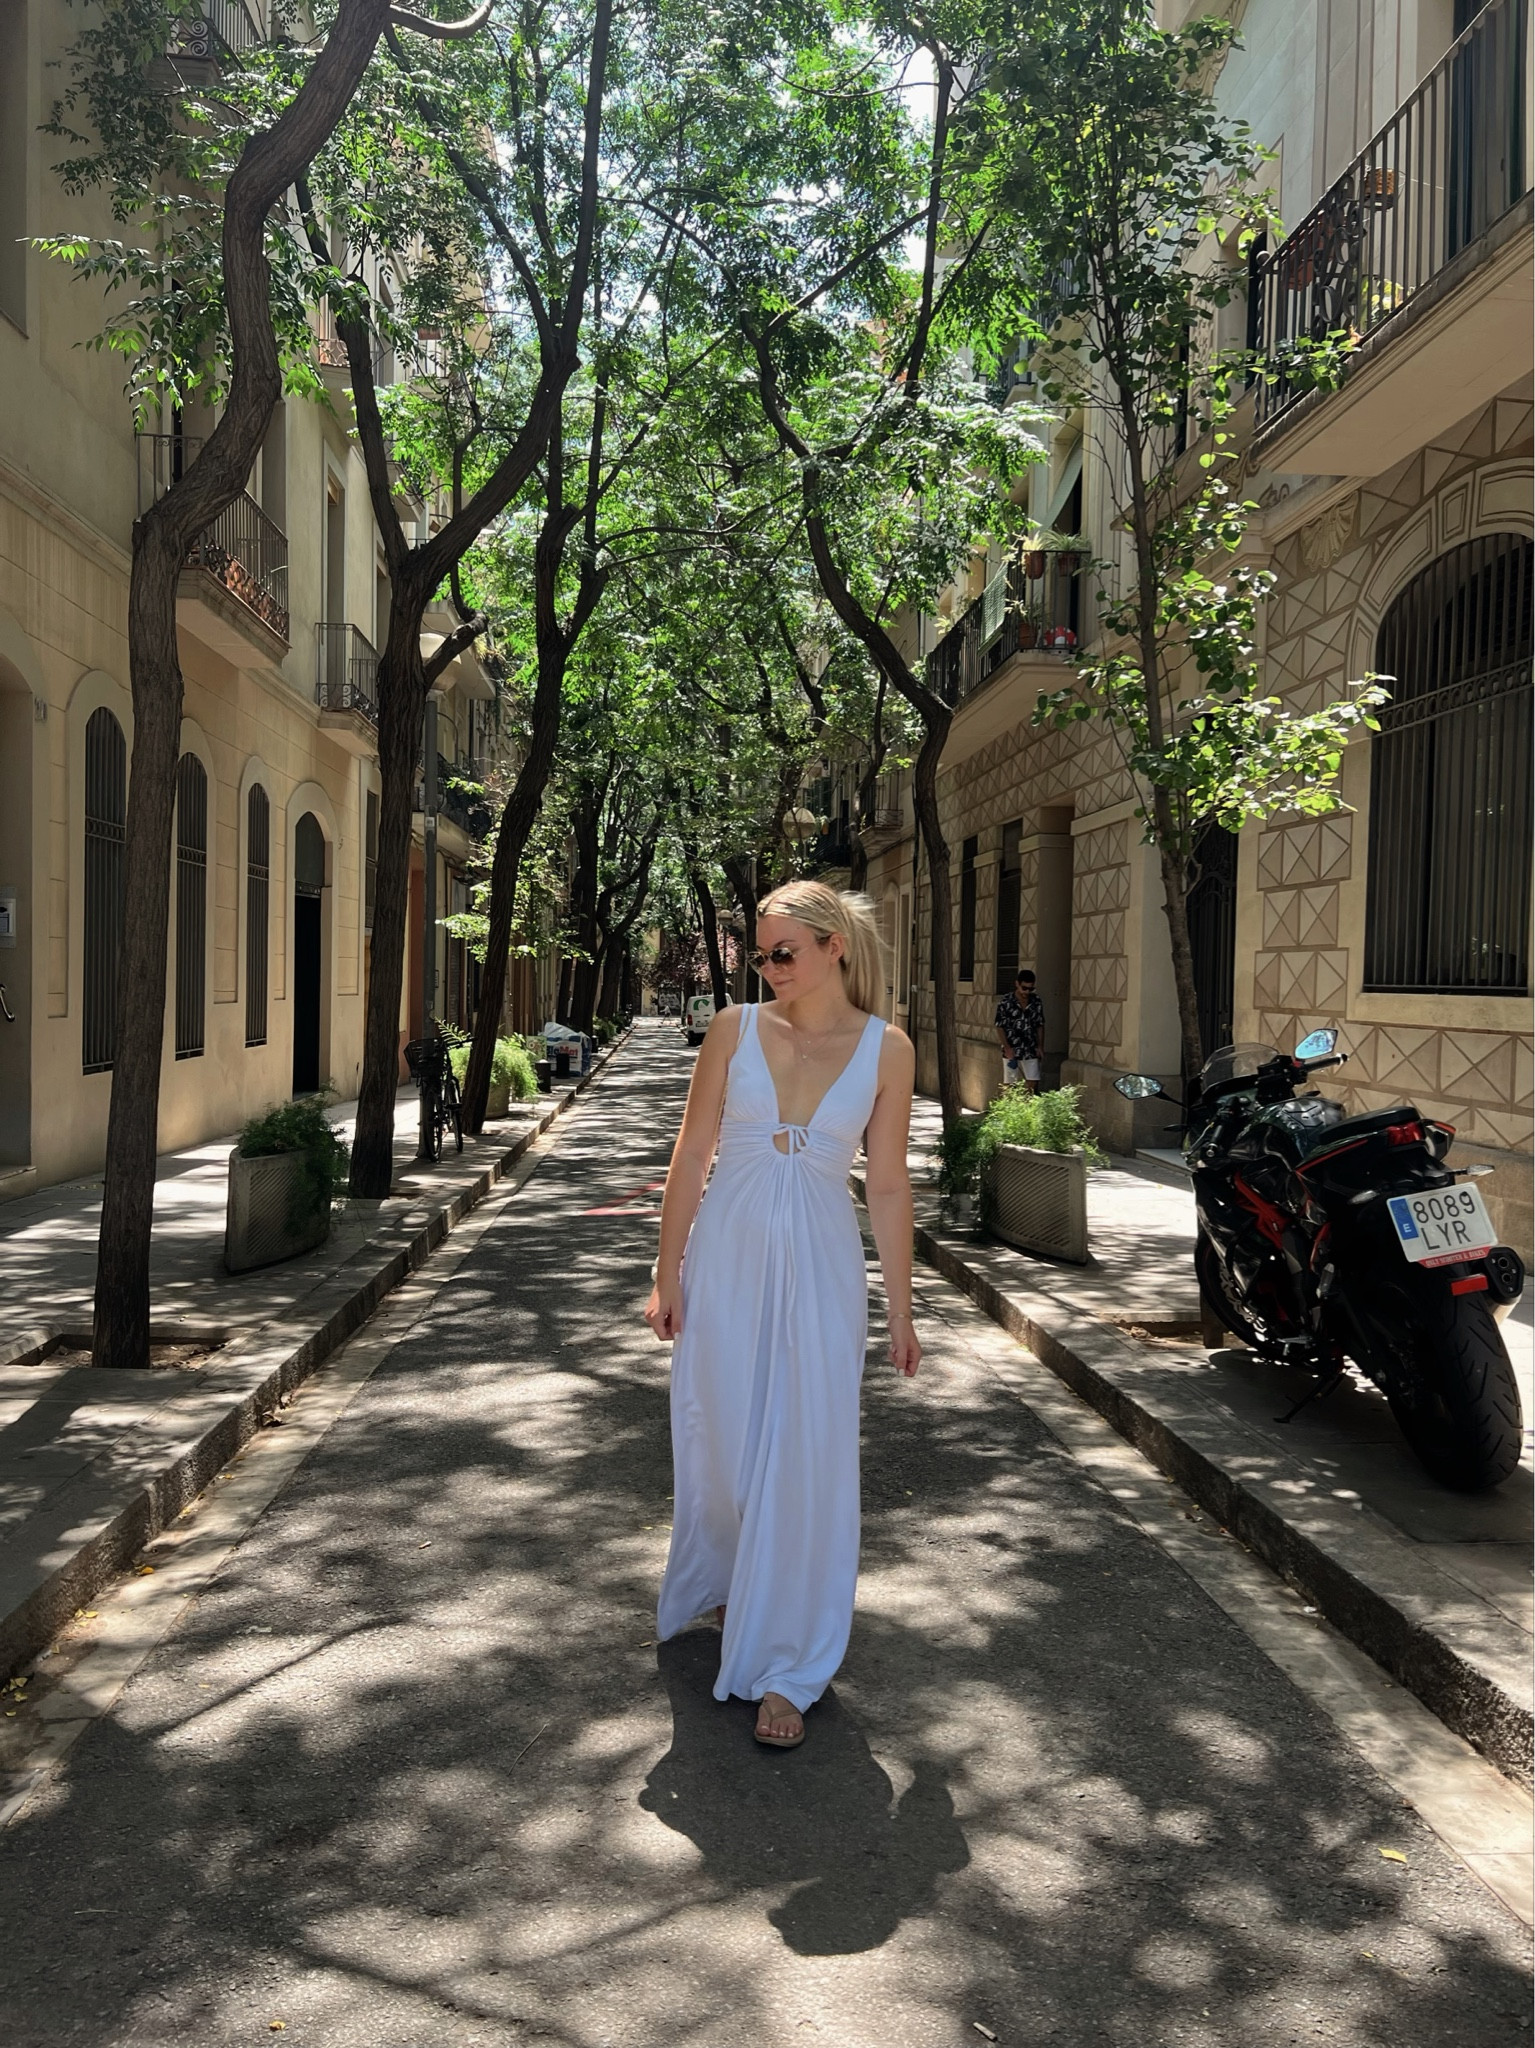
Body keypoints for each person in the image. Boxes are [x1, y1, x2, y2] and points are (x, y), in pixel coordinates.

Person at [644, 881, 919, 1750]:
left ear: (834, 945)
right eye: (758, 955)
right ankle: (731, 1579)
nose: (768, 969)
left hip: (824, 1268)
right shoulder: (732, 1030)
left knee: (806, 1451)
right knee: (721, 1437)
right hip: (726, 1257)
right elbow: (692, 1151)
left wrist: (903, 1311)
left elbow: (885, 1182)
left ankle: (790, 1664)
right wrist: (667, 1271)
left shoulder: (888, 1049)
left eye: (783, 952)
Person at [995, 967, 1045, 1091]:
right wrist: (1006, 1047)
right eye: (1024, 988)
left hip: (1030, 1046)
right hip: (1012, 1047)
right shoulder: (1006, 1002)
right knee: (1010, 1082)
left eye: (1030, 988)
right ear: (1017, 984)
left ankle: (1028, 1106)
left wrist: (1040, 1046)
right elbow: (1000, 1026)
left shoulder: (1036, 1001)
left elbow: (1040, 1024)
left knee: (1033, 1080)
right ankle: (1011, 1107)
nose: (1027, 992)